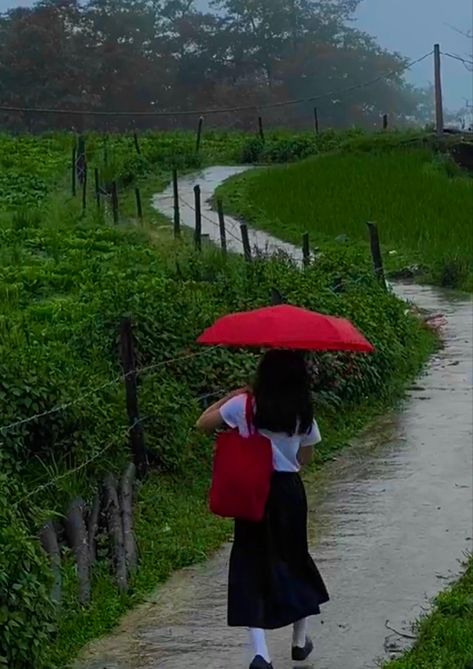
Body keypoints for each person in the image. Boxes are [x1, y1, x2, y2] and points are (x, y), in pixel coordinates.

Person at [196, 349, 329, 669]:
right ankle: (299, 641)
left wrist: (229, 396)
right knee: (294, 559)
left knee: (250, 564)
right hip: (288, 493)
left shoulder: (244, 406)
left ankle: (261, 653)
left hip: (253, 493)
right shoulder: (303, 411)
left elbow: (202, 424)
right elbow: (304, 460)